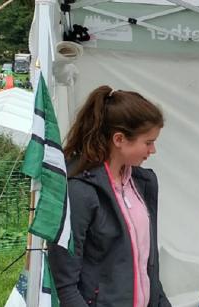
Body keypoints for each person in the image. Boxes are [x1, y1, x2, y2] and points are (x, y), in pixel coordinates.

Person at [49, 86, 170, 307]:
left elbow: (147, 265)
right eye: (148, 142)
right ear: (119, 139)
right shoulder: (79, 191)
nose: (153, 150)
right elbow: (65, 285)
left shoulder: (144, 184)